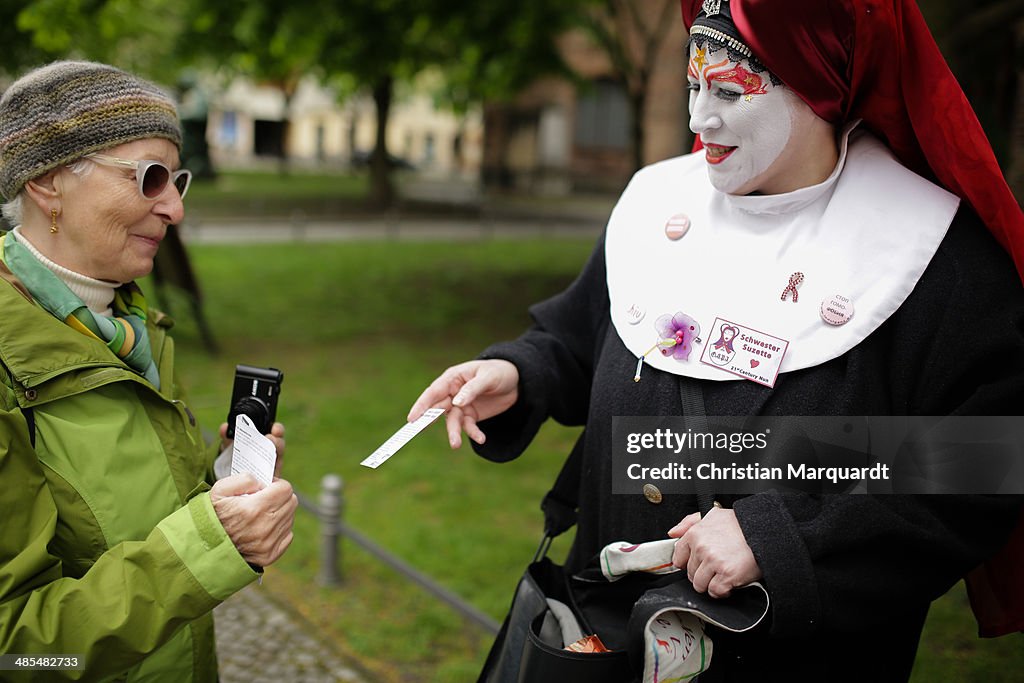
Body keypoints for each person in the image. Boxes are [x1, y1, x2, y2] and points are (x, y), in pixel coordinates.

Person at [409, 1, 1024, 681]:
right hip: (601, 643)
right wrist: (521, 371)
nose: (701, 118)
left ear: (820, 86)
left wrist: (781, 540)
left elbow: (983, 462)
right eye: (693, 85)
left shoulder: (934, 255)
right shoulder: (655, 200)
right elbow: (582, 334)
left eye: (729, 91)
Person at [0, 61, 297, 681]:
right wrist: (213, 548)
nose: (175, 209)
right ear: (49, 183)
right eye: (150, 178)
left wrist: (222, 486)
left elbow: (137, 523)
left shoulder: (134, 329)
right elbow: (16, 651)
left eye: (177, 179)